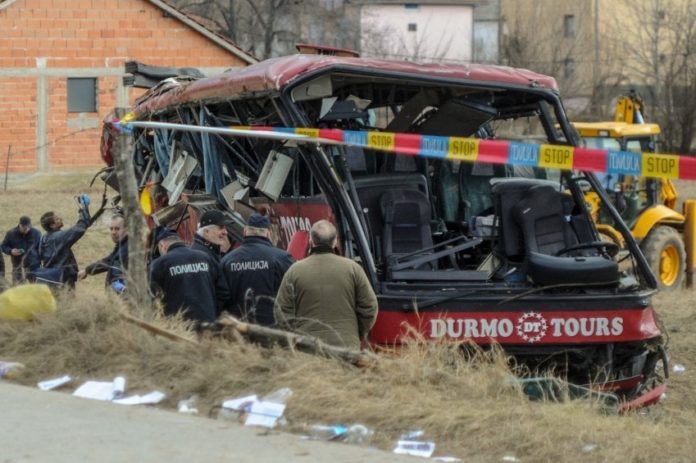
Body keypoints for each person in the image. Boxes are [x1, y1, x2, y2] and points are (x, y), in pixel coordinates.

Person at [274, 220, 378, 349]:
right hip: (346, 348)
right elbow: (369, 307)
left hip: (307, 350)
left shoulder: (294, 271)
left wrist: (294, 339)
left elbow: (281, 311)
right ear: (335, 241)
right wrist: (355, 333)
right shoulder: (353, 269)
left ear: (311, 241)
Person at [219, 213, 294, 326]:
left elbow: (221, 296)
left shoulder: (227, 261)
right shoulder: (283, 258)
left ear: (245, 231)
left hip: (239, 329)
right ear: (268, 232)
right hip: (273, 329)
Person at [149, 234, 220, 324]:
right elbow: (222, 290)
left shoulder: (159, 264)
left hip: (179, 326)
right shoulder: (205, 257)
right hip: (208, 322)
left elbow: (152, 297)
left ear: (162, 245)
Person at [35, 198, 91, 288]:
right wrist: (84, 208)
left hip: (49, 278)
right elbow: (79, 228)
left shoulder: (43, 238)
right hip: (63, 280)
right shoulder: (59, 236)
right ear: (52, 225)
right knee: (67, 301)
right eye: (57, 219)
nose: (60, 219)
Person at [77, 214, 128, 292]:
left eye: (117, 229)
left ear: (127, 229)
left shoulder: (128, 248)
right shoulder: (122, 245)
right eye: (111, 229)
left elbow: (118, 279)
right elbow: (108, 261)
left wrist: (121, 292)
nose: (113, 232)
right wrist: (87, 270)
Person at [1, 216, 41, 284]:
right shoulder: (11, 233)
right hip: (17, 266)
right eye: (24, 228)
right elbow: (3, 246)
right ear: (19, 225)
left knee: (35, 285)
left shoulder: (36, 233)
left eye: (28, 227)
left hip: (34, 265)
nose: (26, 229)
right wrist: (10, 251)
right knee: (17, 286)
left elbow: (41, 248)